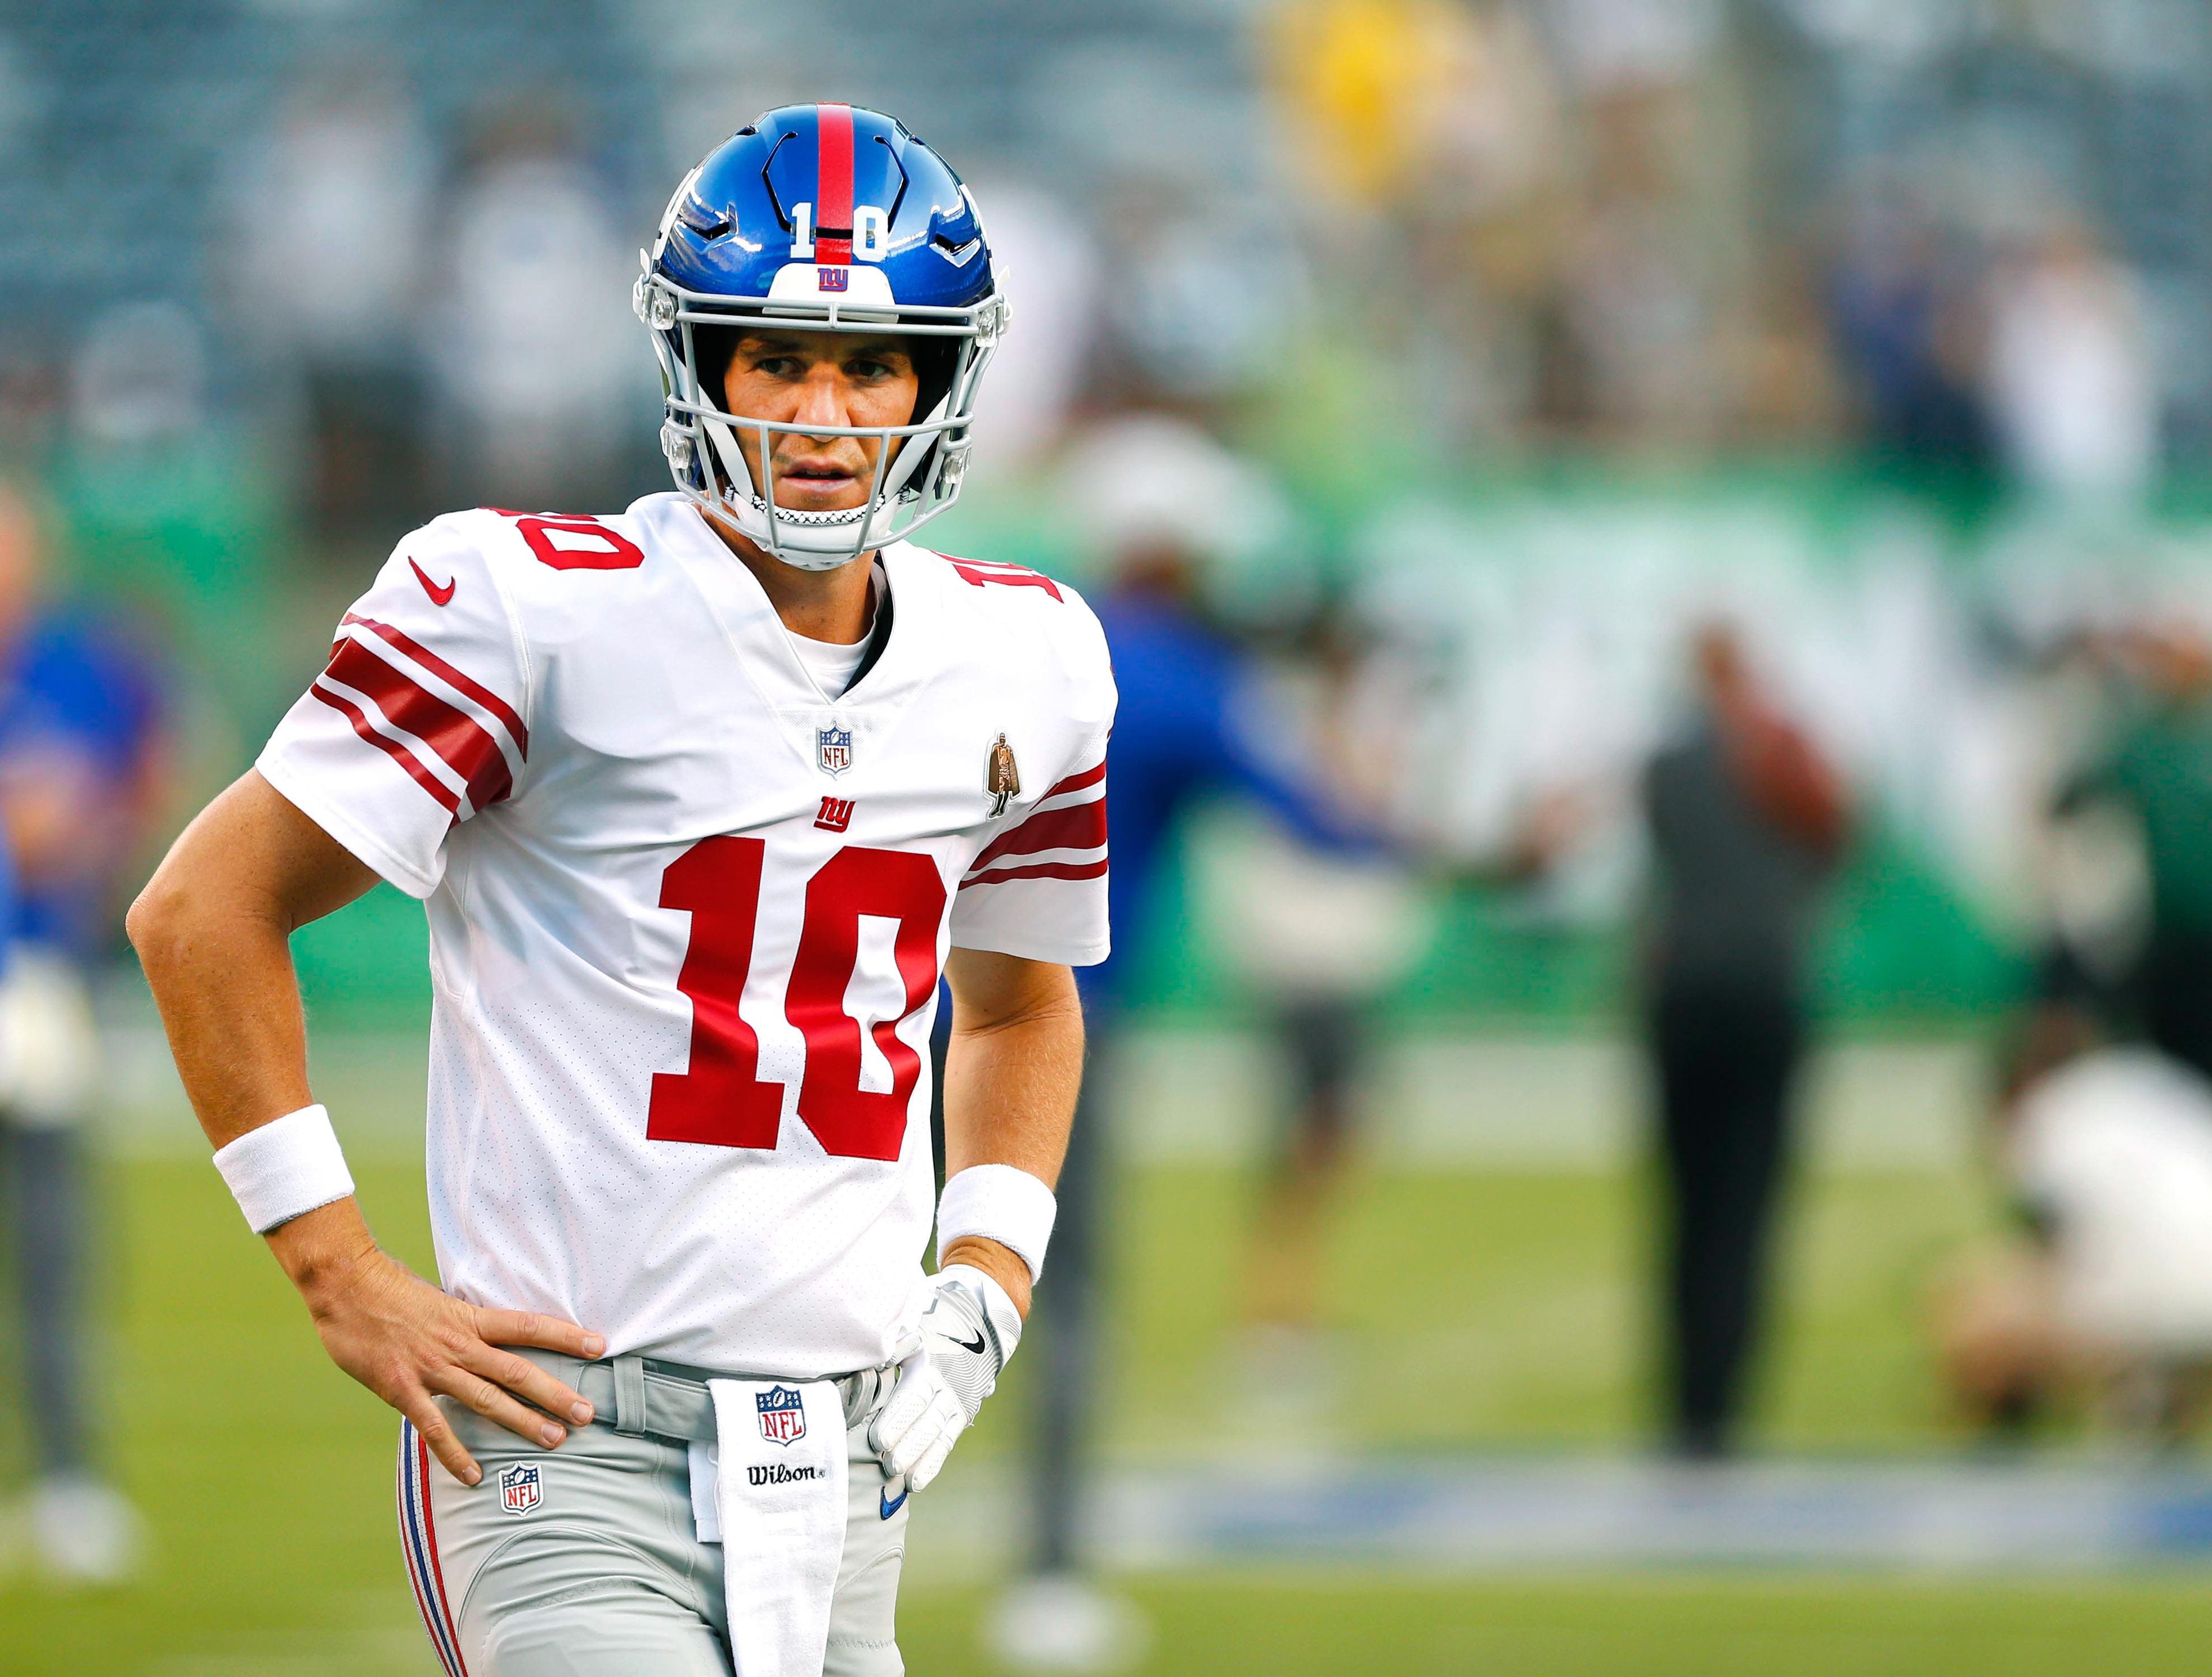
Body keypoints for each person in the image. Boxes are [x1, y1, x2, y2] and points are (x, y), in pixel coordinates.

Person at [130, 106, 1111, 1677]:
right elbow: (201, 908)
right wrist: (340, 1269)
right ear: (696, 362)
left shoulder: (1030, 654)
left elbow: (1018, 998)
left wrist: (988, 1276)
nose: (823, 409)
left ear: (940, 382)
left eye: (872, 366)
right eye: (773, 355)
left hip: (851, 1463)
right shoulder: (529, 607)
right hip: (570, 1436)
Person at [987, 415, 1380, 1672]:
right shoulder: (1172, 674)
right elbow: (1317, 823)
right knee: (1063, 1302)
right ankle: (1048, 1577)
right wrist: (1474, 849)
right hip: (1054, 1035)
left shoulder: (1009, 647)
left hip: (891, 1023)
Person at [0, 483, 161, 1581]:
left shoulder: (76, 661)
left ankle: (67, 1481)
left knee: (52, 1246)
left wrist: (91, 834)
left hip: (31, 982)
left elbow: (153, 756)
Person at [1640, 619, 1849, 1459]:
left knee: (1686, 1209)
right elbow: (1834, 846)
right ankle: (1723, 1410)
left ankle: (1688, 1407)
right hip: (1764, 989)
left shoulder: (1666, 764)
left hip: (1685, 991)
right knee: (1746, 1206)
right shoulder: (1785, 753)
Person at [1936, 1005, 2212, 1445]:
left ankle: (2003, 1433)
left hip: (2159, 1301)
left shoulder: (2047, 1113)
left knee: (1976, 1293)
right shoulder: (2150, 1078)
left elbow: (2044, 1249)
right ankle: (2150, 1406)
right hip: (2186, 1290)